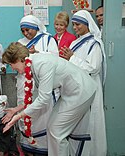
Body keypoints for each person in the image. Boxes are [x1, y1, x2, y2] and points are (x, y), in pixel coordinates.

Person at [2, 42, 97, 156]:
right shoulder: (33, 65)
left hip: (81, 90)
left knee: (56, 131)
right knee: (53, 129)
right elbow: (36, 98)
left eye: (11, 64)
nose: (11, 67)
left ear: (20, 59)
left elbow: (43, 99)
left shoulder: (41, 64)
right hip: (71, 93)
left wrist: (18, 116)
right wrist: (16, 110)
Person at [60, 10, 107, 156]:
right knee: (75, 128)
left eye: (78, 24)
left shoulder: (95, 43)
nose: (75, 27)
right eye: (73, 25)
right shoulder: (75, 42)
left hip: (89, 89)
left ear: (87, 24)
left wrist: (72, 58)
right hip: (75, 90)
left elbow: (93, 68)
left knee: (88, 127)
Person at [12, 14, 58, 155]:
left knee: (41, 112)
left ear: (35, 27)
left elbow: (55, 58)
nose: (26, 33)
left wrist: (37, 52)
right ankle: (27, 146)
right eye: (23, 31)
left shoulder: (47, 39)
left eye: (28, 30)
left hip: (41, 82)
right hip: (23, 81)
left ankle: (43, 147)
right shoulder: (20, 42)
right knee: (25, 111)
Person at [0, 83, 18, 156]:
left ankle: (12, 150)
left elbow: (7, 109)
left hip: (5, 117)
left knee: (7, 128)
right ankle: (2, 150)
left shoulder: (4, 98)